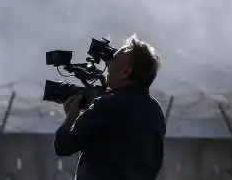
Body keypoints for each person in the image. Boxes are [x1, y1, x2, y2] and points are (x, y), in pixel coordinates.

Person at [53, 35, 166, 180]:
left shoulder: (108, 105)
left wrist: (70, 117)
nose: (108, 66)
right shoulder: (154, 109)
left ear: (125, 72)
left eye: (113, 61)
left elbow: (63, 145)